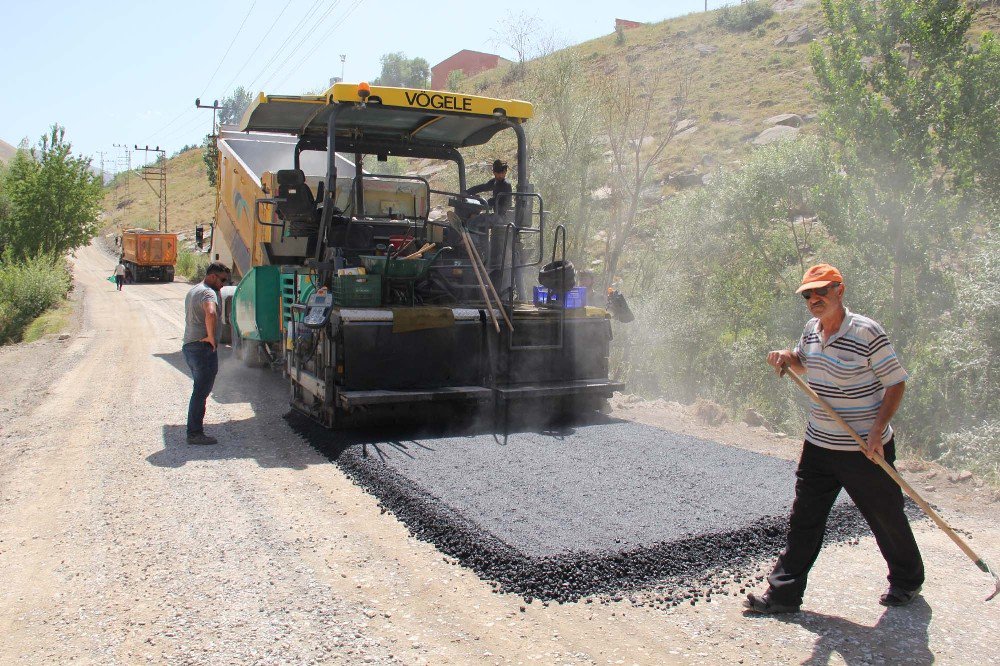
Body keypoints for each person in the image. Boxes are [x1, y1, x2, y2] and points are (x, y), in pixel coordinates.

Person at [745, 264, 924, 614]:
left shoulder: (866, 332)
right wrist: (787, 357)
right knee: (805, 518)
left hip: (864, 448)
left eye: (821, 291)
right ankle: (782, 595)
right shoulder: (812, 331)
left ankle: (907, 580)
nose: (814, 299)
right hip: (820, 445)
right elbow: (803, 361)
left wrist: (876, 431)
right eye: (808, 294)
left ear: (839, 291)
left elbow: (896, 382)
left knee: (885, 515)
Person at [181, 261, 231, 445]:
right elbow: (210, 313)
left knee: (199, 390)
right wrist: (211, 338)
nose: (224, 284)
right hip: (202, 348)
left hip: (190, 346)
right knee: (201, 392)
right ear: (212, 276)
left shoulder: (194, 290)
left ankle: (194, 430)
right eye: (222, 280)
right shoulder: (208, 292)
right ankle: (194, 433)